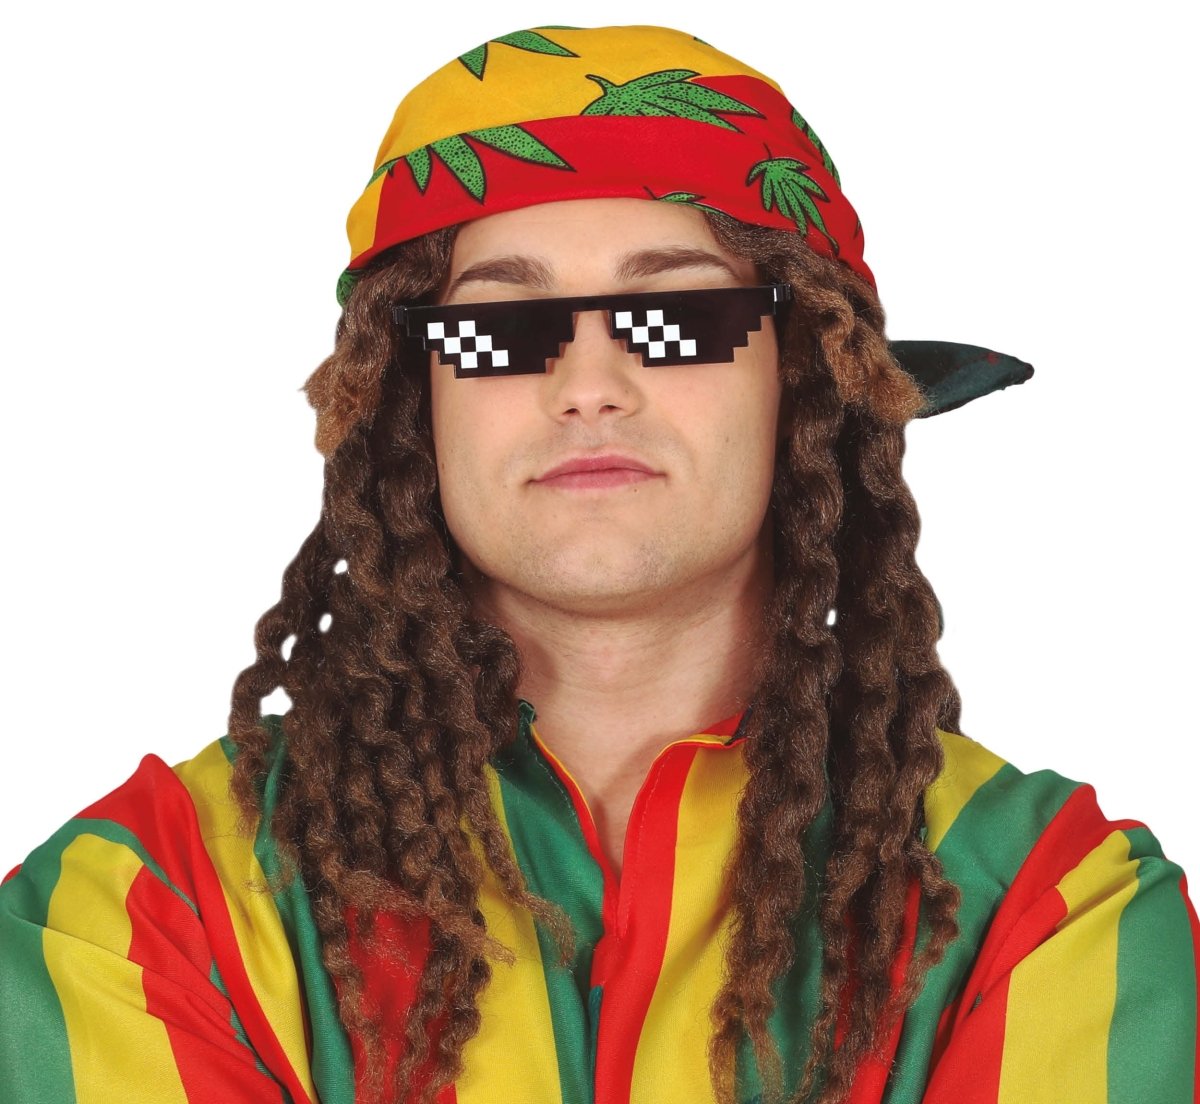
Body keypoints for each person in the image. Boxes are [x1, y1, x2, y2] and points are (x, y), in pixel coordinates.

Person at [1, 22, 1196, 1104]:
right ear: (412, 403)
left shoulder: (1051, 904)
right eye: (498, 328)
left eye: (678, 318)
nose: (587, 387)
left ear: (804, 382)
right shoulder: (143, 909)